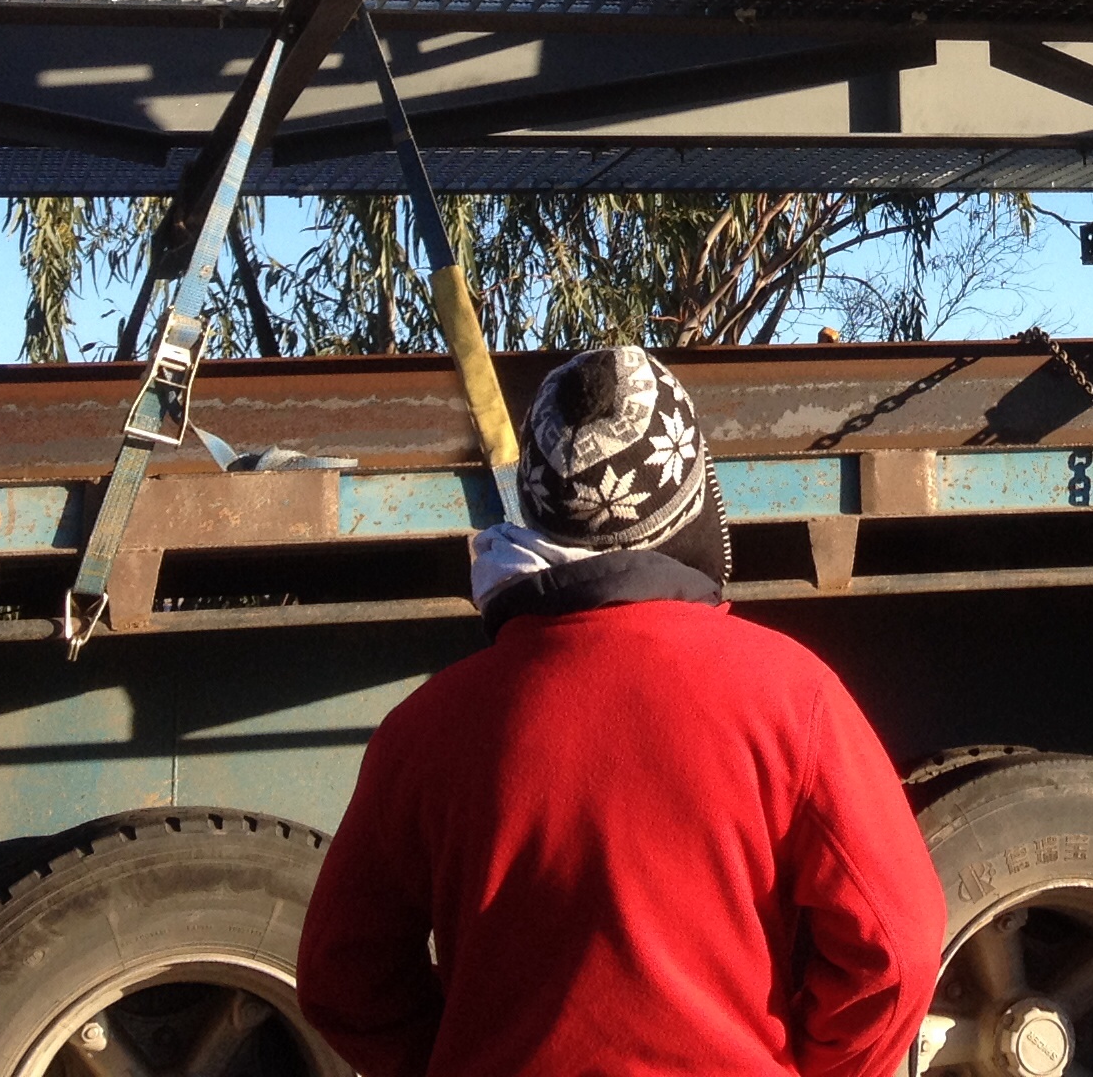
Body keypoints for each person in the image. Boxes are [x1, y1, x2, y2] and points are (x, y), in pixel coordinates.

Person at [297, 347, 946, 1077]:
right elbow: (899, 945)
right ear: (692, 494)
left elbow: (338, 971)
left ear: (535, 508)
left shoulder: (424, 730)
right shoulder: (791, 697)